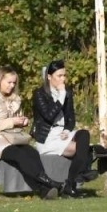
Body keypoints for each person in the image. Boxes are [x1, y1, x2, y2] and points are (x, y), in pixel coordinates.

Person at [0, 66, 61, 199]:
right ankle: (48, 182)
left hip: (9, 137)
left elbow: (15, 121)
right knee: (18, 155)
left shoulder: (14, 99)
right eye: (8, 82)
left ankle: (44, 190)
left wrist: (22, 121)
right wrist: (12, 122)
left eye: (14, 83)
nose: (11, 86)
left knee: (31, 152)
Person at [30, 60, 97, 198]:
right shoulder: (39, 94)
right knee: (82, 149)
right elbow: (49, 115)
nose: (62, 79)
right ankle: (76, 178)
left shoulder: (67, 93)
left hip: (62, 133)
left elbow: (70, 118)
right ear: (49, 77)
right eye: (59, 76)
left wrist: (67, 130)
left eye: (64, 76)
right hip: (47, 136)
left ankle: (72, 181)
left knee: (84, 134)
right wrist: (61, 95)